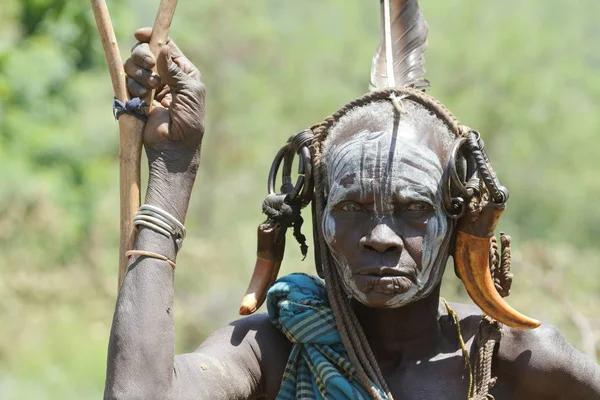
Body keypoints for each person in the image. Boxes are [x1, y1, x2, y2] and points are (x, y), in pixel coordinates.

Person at [103, 1, 600, 399]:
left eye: (413, 210)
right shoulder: (274, 350)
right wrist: (173, 167)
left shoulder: (514, 363)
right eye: (352, 208)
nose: (381, 238)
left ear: (458, 221)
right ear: (318, 220)